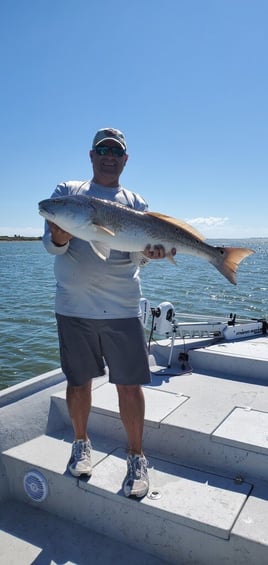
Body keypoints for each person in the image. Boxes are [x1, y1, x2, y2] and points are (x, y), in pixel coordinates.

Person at [43, 127, 175, 498]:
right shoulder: (67, 194)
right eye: (102, 149)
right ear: (91, 154)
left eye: (115, 151)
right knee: (78, 381)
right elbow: (51, 247)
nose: (108, 155)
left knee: (129, 386)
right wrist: (59, 236)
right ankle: (81, 445)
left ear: (125, 159)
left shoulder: (135, 201)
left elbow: (136, 255)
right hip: (73, 307)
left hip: (122, 307)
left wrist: (152, 254)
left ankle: (136, 457)